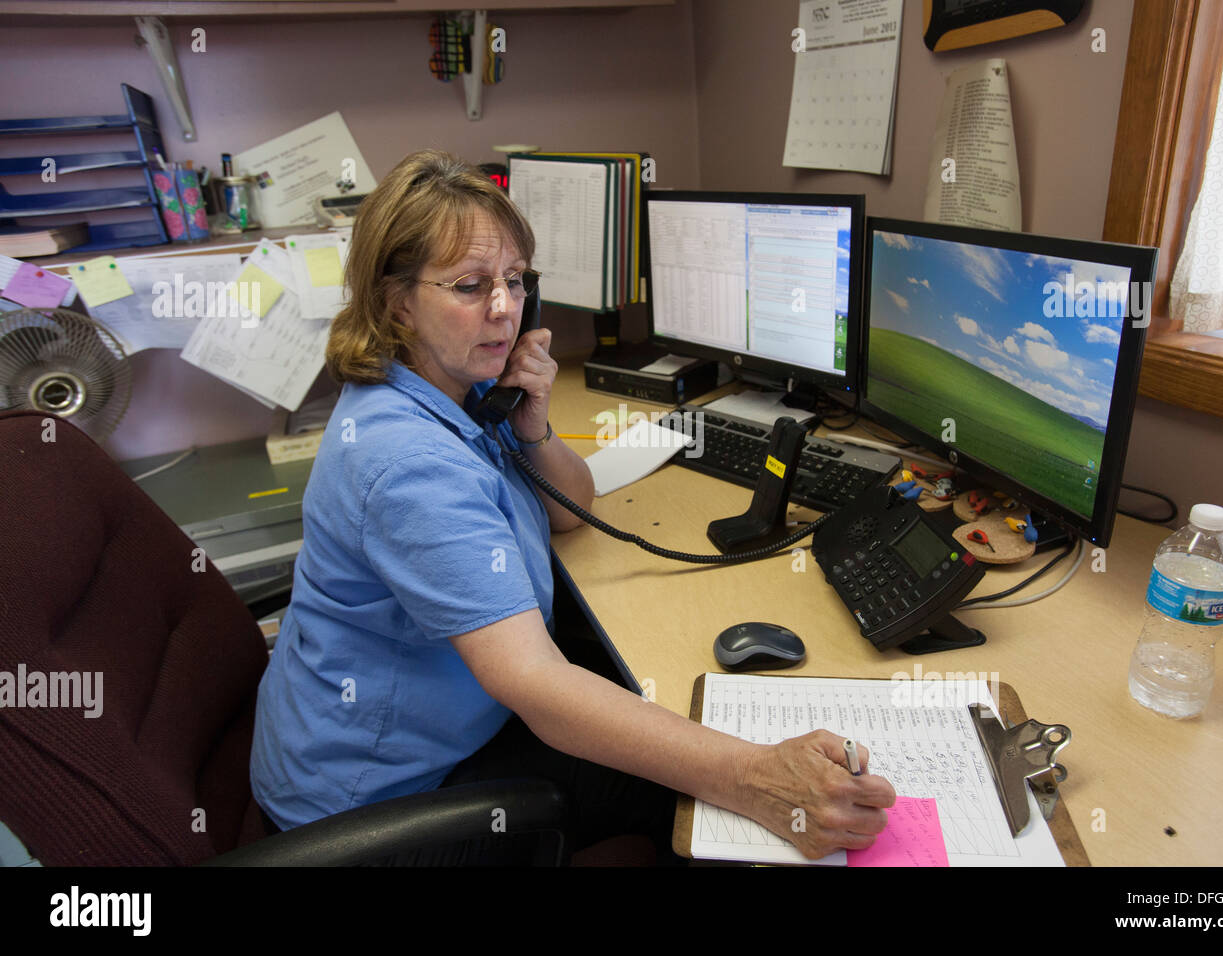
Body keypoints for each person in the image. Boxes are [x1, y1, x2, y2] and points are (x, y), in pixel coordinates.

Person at [249, 148, 896, 863]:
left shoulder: (449, 389)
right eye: (470, 285)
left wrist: (533, 427)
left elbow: (570, 506)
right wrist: (755, 776)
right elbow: (538, 685)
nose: (504, 308)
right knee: (701, 804)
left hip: (430, 731)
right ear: (396, 302)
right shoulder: (407, 463)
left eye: (515, 280)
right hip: (379, 803)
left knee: (673, 729)